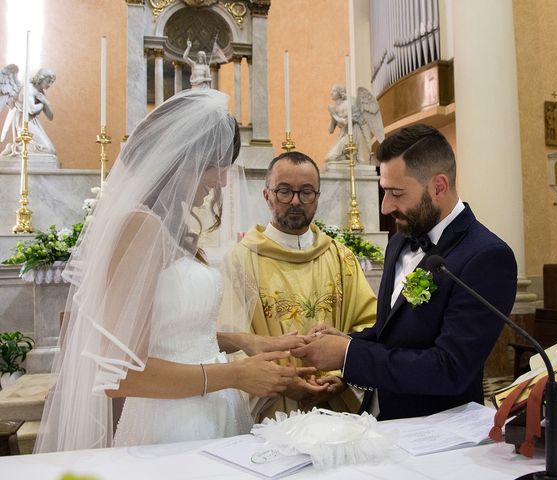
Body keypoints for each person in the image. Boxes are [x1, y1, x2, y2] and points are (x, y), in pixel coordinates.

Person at [35, 89, 304, 453]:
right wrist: (236, 374)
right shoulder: (137, 228)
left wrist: (243, 342)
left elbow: (169, 334)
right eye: (216, 166)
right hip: (170, 427)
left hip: (207, 409)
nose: (223, 181)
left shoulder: (168, 227)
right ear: (184, 159)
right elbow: (120, 374)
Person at [292, 124, 518, 421]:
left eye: (396, 193)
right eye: (384, 191)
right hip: (380, 420)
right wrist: (348, 342)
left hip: (438, 434)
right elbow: (393, 335)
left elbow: (450, 369)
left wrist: (348, 356)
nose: (386, 207)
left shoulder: (487, 257)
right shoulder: (399, 241)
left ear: (439, 186)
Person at [226, 151, 377, 418]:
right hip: (271, 408)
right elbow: (231, 343)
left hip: (338, 406)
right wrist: (281, 380)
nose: (295, 201)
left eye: (306, 192)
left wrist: (343, 374)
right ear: (267, 195)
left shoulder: (342, 258)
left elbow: (369, 326)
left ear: (317, 198)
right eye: (284, 191)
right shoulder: (241, 261)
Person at [1, 67, 56, 156]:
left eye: (51, 82)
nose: (49, 85)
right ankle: (13, 148)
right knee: (48, 150)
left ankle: (16, 147)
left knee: (51, 150)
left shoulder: (40, 92)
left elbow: (50, 117)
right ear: (41, 78)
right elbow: (31, 110)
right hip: (24, 121)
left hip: (33, 122)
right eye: (48, 81)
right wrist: (43, 103)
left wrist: (46, 103)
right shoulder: (29, 89)